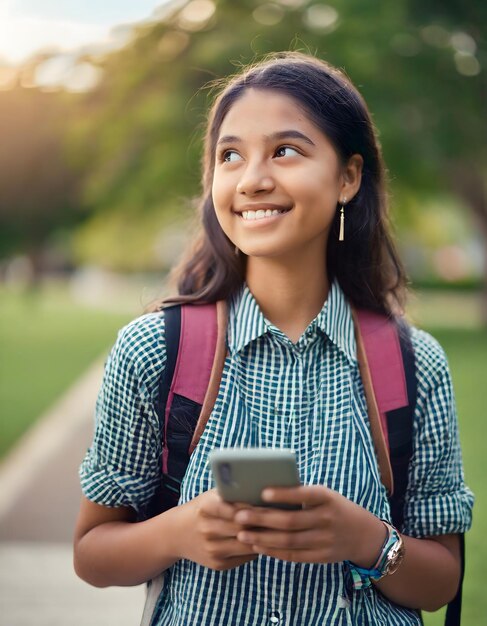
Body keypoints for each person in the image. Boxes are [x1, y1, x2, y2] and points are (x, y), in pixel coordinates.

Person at [73, 52, 474, 625]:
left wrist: (367, 539)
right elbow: (92, 554)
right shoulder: (153, 352)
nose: (253, 179)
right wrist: (179, 533)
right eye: (230, 155)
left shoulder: (414, 363)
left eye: (286, 151)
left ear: (348, 177)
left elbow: (441, 580)